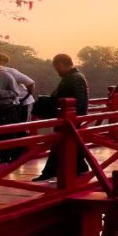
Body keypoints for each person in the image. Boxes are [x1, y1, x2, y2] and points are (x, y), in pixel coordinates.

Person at [33, 54, 89, 182]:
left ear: (61, 64)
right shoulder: (72, 77)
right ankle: (81, 167)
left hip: (70, 117)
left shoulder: (75, 78)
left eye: (56, 66)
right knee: (70, 143)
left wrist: (72, 114)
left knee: (59, 143)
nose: (56, 70)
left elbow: (78, 101)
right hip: (68, 116)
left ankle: (49, 171)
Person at [0, 51, 36, 121]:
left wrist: (23, 99)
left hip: (24, 103)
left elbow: (30, 83)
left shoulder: (9, 71)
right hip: (9, 104)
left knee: (23, 127)